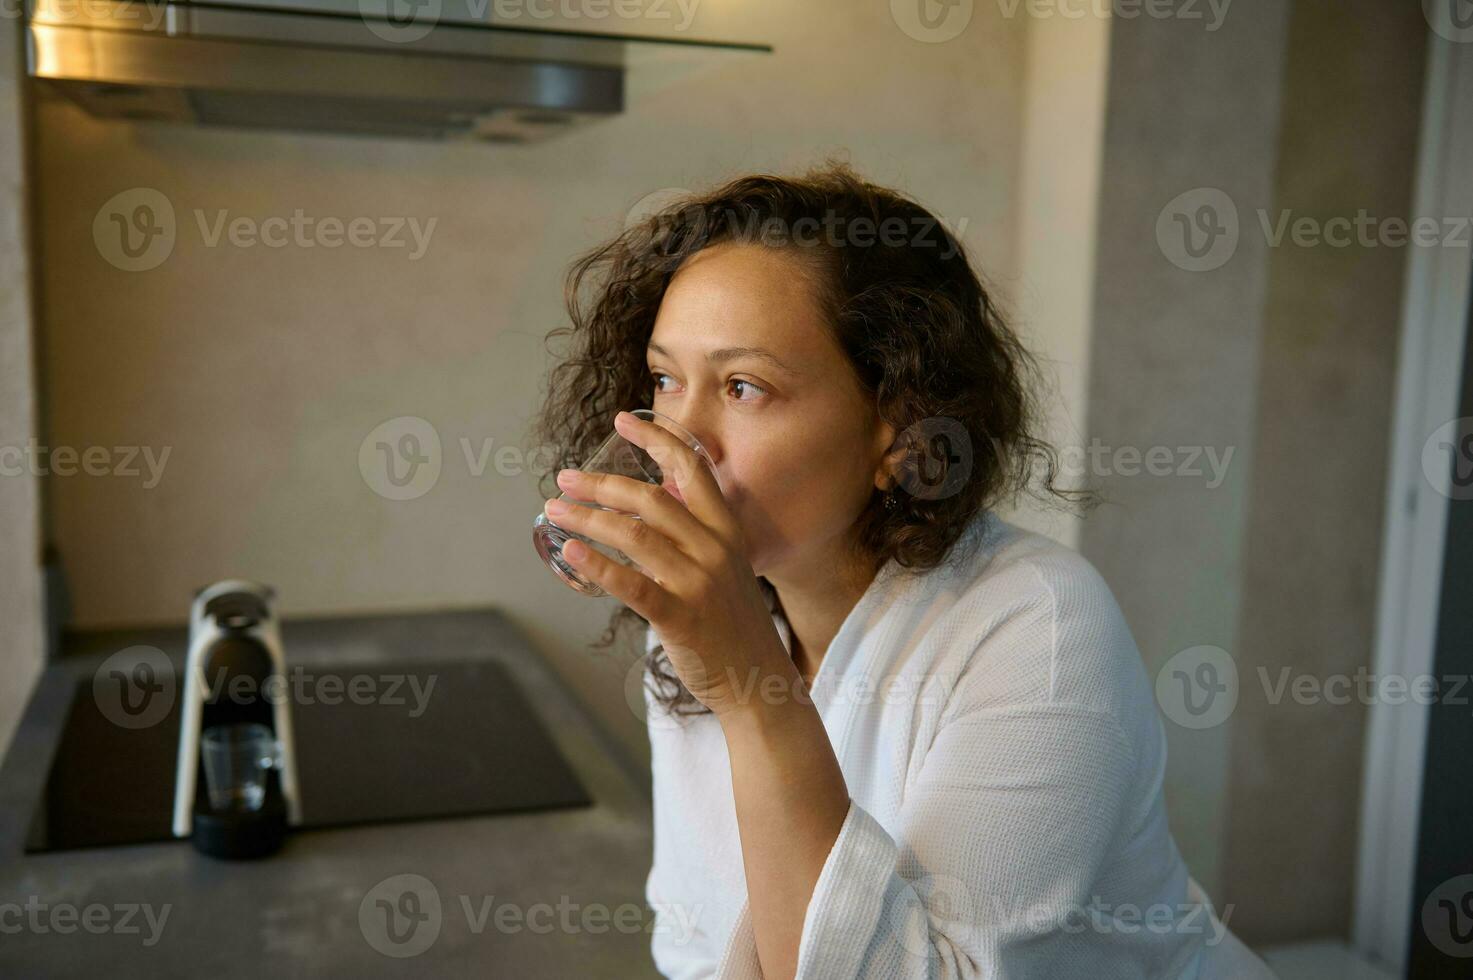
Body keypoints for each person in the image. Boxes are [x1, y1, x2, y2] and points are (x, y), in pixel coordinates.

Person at [531, 162, 1275, 979]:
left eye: (743, 387)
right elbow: (695, 942)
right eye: (666, 380)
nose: (679, 436)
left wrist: (748, 687)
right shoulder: (694, 627)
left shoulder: (1037, 626)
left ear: (899, 430)